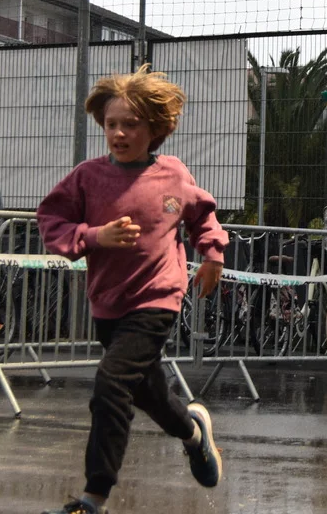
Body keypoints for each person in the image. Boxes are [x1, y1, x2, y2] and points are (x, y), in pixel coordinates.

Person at [36, 65, 228, 514]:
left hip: (157, 298)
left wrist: (213, 255)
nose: (119, 134)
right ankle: (193, 433)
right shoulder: (87, 177)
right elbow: (51, 220)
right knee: (147, 393)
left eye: (130, 124)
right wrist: (93, 236)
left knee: (111, 384)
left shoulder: (173, 175)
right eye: (111, 125)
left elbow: (202, 216)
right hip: (108, 303)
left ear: (155, 128)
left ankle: (93, 497)